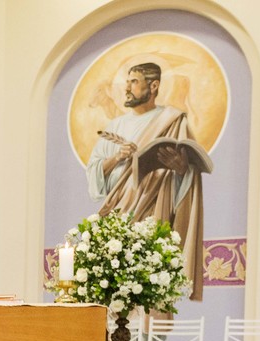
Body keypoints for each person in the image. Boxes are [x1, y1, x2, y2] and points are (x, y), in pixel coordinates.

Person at [86, 62, 206, 300]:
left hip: (155, 215)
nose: (126, 88)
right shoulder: (116, 126)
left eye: (134, 82)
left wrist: (181, 169)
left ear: (153, 86)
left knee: (149, 303)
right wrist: (117, 157)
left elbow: (189, 172)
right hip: (119, 219)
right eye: (126, 82)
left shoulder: (172, 121)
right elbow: (95, 176)